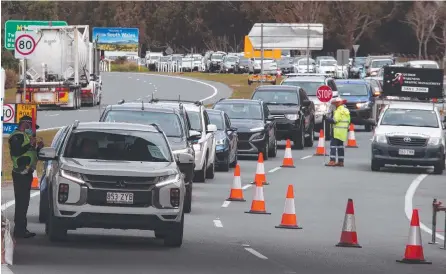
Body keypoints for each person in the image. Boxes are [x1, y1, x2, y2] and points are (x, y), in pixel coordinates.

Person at [8, 115, 44, 238]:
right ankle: (19, 230)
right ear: (25, 124)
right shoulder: (16, 136)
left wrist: (38, 148)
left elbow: (32, 155)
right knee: (21, 203)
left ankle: (22, 229)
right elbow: (17, 151)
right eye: (31, 127)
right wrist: (30, 145)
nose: (33, 131)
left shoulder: (25, 137)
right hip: (20, 173)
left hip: (27, 173)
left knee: (24, 202)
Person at [324, 98, 351, 167]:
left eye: (334, 104)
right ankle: (341, 162)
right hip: (343, 132)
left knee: (333, 146)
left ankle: (332, 161)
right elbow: (348, 121)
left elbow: (335, 120)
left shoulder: (338, 111)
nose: (333, 106)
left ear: (337, 104)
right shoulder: (346, 111)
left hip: (336, 131)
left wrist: (327, 119)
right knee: (340, 147)